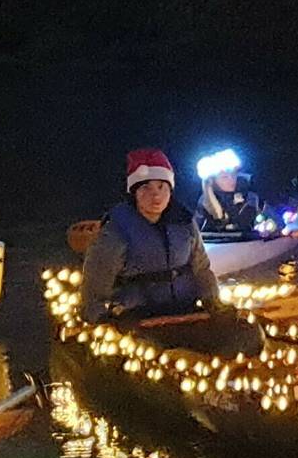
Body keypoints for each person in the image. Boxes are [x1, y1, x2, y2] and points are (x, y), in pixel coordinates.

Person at [79, 148, 262, 355]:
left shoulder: (184, 223)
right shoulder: (116, 232)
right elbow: (96, 285)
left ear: (170, 189)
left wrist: (212, 302)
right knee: (150, 353)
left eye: (161, 187)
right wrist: (105, 317)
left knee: (246, 333)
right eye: (145, 188)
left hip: (185, 310)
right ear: (134, 193)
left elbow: (201, 268)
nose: (155, 195)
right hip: (139, 317)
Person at [194, 148, 262, 234]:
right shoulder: (205, 201)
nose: (231, 180)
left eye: (233, 174)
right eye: (224, 177)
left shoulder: (250, 197)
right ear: (212, 181)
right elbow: (195, 231)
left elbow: (268, 222)